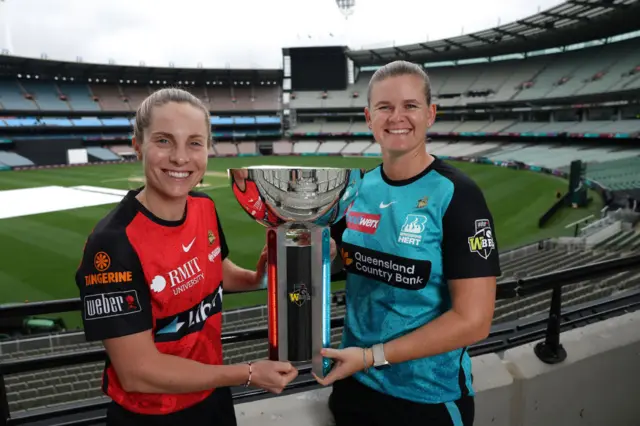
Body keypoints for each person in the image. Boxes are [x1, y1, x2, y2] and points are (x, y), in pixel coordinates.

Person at [74, 88, 298, 426]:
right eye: (164, 141)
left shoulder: (203, 207)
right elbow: (138, 373)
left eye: (195, 143)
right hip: (152, 415)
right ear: (138, 145)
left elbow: (216, 270)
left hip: (212, 398)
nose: (180, 158)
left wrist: (257, 277)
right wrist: (248, 373)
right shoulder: (112, 244)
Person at [314, 61, 501, 426]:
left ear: (430, 114)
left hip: (427, 399)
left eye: (410, 106)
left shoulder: (457, 195)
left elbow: (474, 321)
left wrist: (371, 356)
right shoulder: (354, 190)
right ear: (369, 118)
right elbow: (337, 259)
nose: (397, 117)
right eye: (384, 107)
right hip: (354, 386)